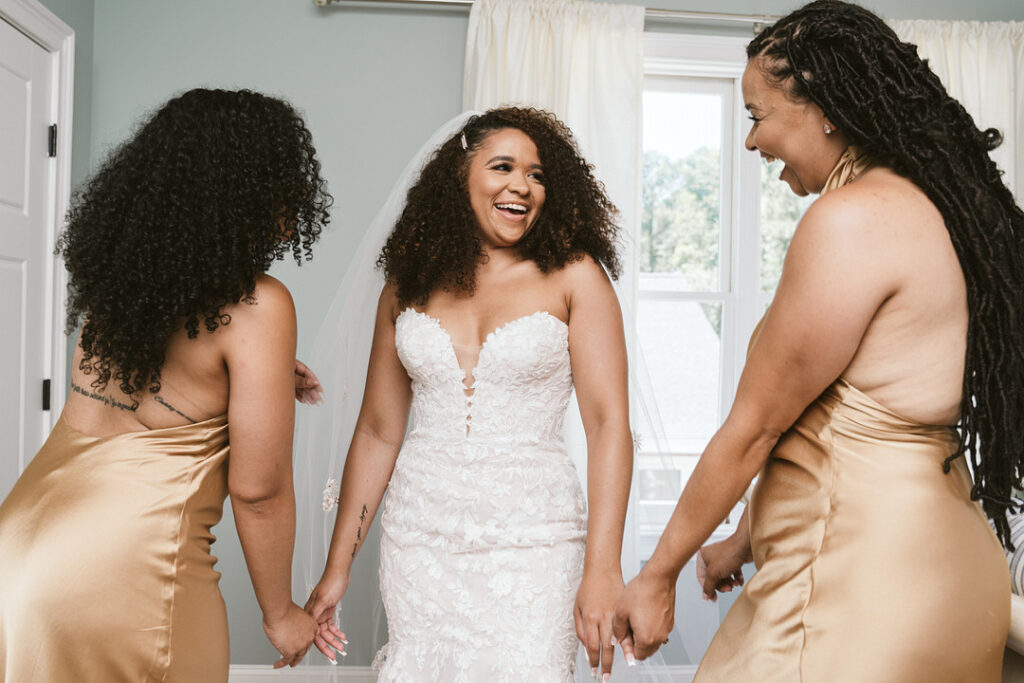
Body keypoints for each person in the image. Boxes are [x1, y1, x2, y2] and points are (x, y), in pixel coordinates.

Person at [613, 1, 1023, 680]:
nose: (750, 142)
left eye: (756, 116)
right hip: (942, 569)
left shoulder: (850, 221)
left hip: (862, 582)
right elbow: (853, 419)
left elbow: (756, 428)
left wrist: (658, 573)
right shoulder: (941, 213)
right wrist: (742, 540)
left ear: (825, 106)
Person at [0, 88, 333, 682]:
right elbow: (258, 492)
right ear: (246, 191)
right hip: (124, 572)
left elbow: (156, 395)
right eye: (281, 180)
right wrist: (281, 614)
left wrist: (259, 373)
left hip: (21, 545)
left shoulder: (119, 286)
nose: (293, 201)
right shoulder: (259, 306)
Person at [301, 107, 633, 681]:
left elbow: (608, 426)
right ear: (459, 177)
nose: (522, 186)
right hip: (419, 539)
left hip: (536, 542)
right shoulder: (406, 286)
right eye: (503, 166)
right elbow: (379, 431)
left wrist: (604, 569)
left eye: (537, 175)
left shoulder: (576, 277)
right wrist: (338, 568)